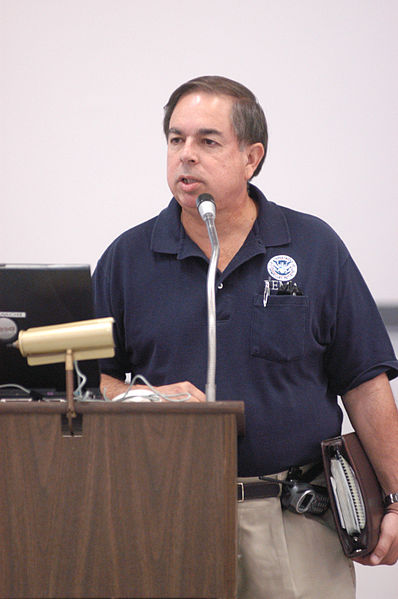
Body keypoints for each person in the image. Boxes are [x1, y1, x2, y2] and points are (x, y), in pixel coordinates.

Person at [93, 75, 398, 598]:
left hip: (295, 518)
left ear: (252, 157)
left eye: (207, 141)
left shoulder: (313, 246)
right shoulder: (127, 258)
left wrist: (396, 497)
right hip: (166, 515)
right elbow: (86, 386)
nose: (186, 156)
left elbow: (365, 384)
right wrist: (142, 396)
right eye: (175, 139)